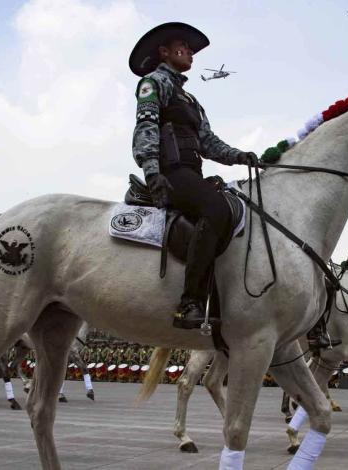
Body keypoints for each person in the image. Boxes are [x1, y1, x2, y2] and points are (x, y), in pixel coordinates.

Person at [129, 22, 257, 331]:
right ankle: (190, 302)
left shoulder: (191, 101)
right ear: (164, 51)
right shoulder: (153, 82)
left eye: (190, 49)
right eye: (184, 47)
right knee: (215, 209)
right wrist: (152, 172)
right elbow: (145, 127)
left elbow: (208, 143)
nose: (190, 53)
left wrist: (239, 156)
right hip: (170, 174)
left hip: (191, 172)